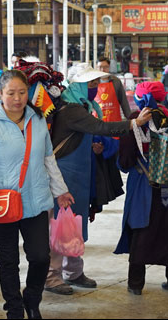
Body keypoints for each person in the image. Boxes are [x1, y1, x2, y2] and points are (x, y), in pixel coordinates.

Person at [0, 70, 75, 320]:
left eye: (21, 93)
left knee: (40, 257)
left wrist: (60, 190)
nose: (17, 99)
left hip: (36, 200)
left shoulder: (37, 119)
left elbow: (48, 157)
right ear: (0, 93)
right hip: (3, 203)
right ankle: (14, 310)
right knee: (8, 261)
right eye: (11, 93)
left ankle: (32, 299)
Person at [46, 64, 152, 295]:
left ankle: (73, 271)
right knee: (60, 225)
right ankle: (52, 276)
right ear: (78, 85)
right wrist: (133, 123)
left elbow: (83, 133)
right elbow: (100, 126)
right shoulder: (71, 109)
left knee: (76, 223)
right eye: (91, 83)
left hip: (79, 174)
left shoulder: (83, 105)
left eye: (96, 82)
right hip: (64, 175)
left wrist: (92, 146)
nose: (95, 87)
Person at [114, 80, 168, 297]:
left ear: (139, 99)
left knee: (141, 230)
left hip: (143, 186)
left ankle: (135, 284)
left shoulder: (135, 120)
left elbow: (125, 161)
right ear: (162, 96)